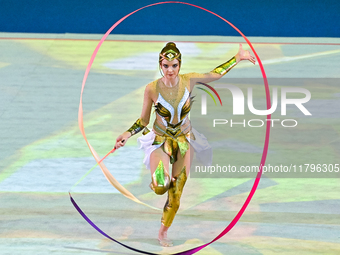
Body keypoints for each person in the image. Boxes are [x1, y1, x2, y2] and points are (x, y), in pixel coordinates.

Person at [115, 42, 255, 246]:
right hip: (160, 141)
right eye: (165, 66)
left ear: (179, 65)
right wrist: (127, 134)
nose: (170, 70)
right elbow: (144, 120)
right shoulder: (152, 89)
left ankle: (163, 232)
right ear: (160, 65)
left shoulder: (189, 80)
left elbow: (214, 74)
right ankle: (156, 181)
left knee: (176, 194)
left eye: (174, 65)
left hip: (183, 141)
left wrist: (237, 57)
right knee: (162, 187)